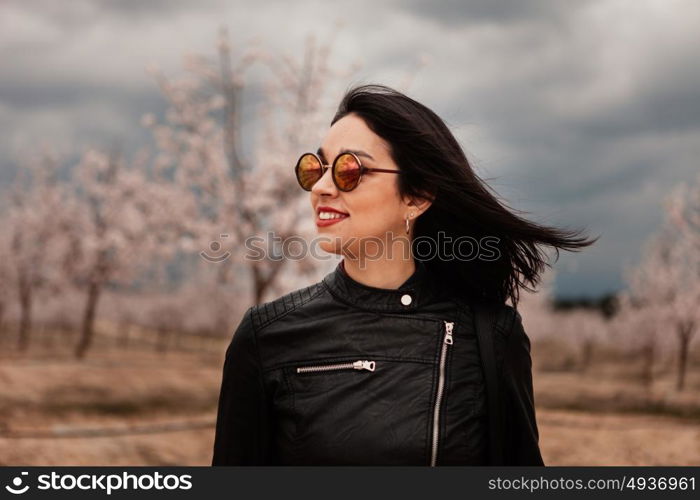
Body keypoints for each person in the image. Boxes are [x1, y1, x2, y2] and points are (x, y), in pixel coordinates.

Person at [211, 84, 597, 466]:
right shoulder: (266, 337)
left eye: (349, 169)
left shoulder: (491, 335)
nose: (322, 187)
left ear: (416, 196)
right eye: (317, 167)